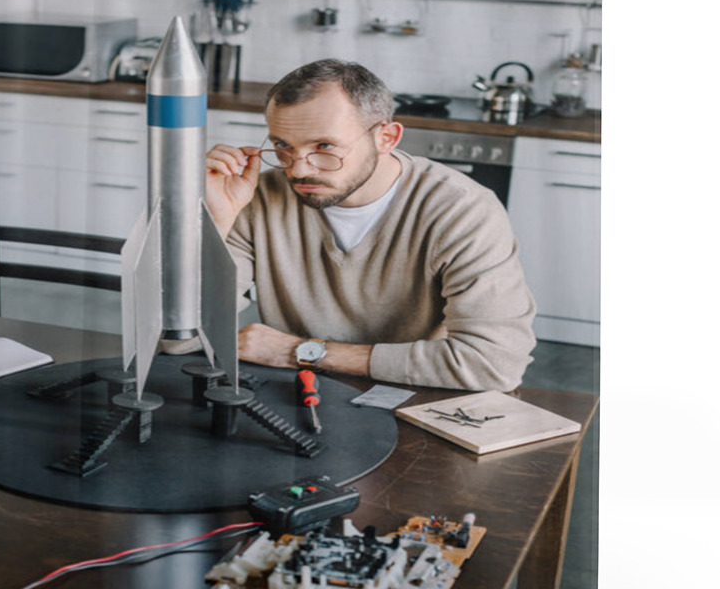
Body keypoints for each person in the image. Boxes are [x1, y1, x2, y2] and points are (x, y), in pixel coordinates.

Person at [205, 59, 536, 391]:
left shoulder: (462, 209)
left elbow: (495, 364)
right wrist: (216, 223)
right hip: (296, 392)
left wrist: (299, 352)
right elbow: (176, 338)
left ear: (386, 138)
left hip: (417, 396)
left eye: (324, 147)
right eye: (283, 146)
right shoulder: (256, 197)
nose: (298, 170)